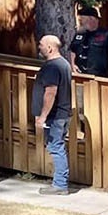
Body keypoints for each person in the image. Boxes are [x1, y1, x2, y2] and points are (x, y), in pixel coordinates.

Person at [33, 34, 75, 195]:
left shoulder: (52, 66)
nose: (39, 47)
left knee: (56, 147)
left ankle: (60, 184)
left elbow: (50, 92)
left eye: (41, 44)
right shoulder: (64, 64)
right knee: (57, 146)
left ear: (50, 47)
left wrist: (43, 116)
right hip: (62, 113)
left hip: (55, 115)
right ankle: (59, 182)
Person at [70, 6, 108, 78]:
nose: (79, 23)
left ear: (91, 19)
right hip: (81, 77)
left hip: (101, 78)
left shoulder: (107, 34)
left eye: (81, 21)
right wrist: (73, 65)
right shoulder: (79, 34)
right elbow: (73, 50)